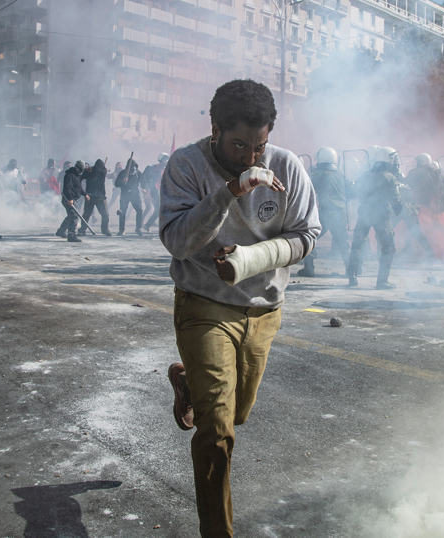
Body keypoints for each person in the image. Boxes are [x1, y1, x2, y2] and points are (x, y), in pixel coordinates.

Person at [159, 79, 320, 538]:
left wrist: (254, 258)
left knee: (238, 413)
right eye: (239, 144)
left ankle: (189, 379)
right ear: (215, 128)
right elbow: (177, 241)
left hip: (264, 309)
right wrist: (229, 191)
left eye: (259, 145)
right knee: (217, 431)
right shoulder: (186, 165)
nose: (251, 156)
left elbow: (307, 235)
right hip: (205, 305)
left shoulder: (287, 166)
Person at [348, 146, 403, 289]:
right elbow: (395, 199)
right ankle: (382, 281)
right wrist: (398, 208)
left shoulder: (366, 174)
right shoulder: (390, 177)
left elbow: (357, 192)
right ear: (389, 159)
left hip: (364, 213)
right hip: (381, 216)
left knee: (357, 245)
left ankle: (352, 278)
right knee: (388, 247)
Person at [297, 146, 349, 277]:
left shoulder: (321, 175)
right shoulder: (341, 174)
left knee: (311, 237)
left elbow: (309, 188)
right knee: (343, 243)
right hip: (340, 214)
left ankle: (309, 269)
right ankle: (352, 270)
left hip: (326, 214)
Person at [55, 160, 87, 242]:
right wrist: (69, 199)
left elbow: (79, 187)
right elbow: (67, 187)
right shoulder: (70, 175)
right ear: (77, 168)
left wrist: (85, 194)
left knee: (71, 215)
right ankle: (72, 235)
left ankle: (61, 231)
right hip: (68, 199)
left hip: (73, 198)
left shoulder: (77, 176)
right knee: (74, 216)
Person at [79, 159, 111, 236]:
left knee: (105, 214)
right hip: (90, 196)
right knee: (87, 214)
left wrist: (88, 170)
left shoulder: (102, 172)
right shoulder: (91, 171)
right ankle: (82, 229)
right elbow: (80, 178)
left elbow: (104, 170)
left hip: (100, 196)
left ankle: (105, 229)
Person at [114, 158, 144, 235]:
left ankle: (138, 228)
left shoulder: (138, 173)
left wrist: (144, 189)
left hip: (135, 194)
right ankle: (121, 229)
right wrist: (122, 181)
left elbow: (143, 183)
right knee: (122, 211)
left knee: (139, 210)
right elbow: (116, 184)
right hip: (125, 194)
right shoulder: (123, 173)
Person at [142, 153, 169, 232]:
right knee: (159, 209)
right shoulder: (155, 167)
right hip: (155, 190)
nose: (166, 161)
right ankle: (147, 224)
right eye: (165, 159)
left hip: (161, 190)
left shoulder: (164, 168)